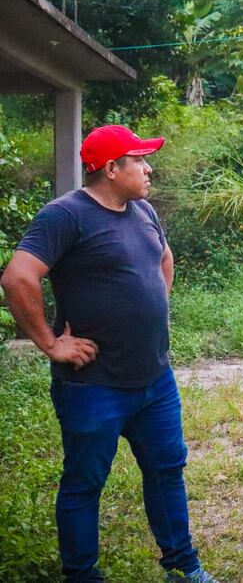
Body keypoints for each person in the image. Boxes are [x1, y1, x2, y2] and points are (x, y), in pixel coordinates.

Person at [0, 125, 216, 582]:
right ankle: (82, 576)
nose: (149, 168)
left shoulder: (144, 210)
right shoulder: (65, 215)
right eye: (139, 160)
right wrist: (51, 343)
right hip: (94, 384)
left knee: (167, 471)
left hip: (155, 379)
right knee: (85, 482)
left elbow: (163, 258)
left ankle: (183, 567)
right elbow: (18, 277)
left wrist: (153, 308)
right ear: (112, 168)